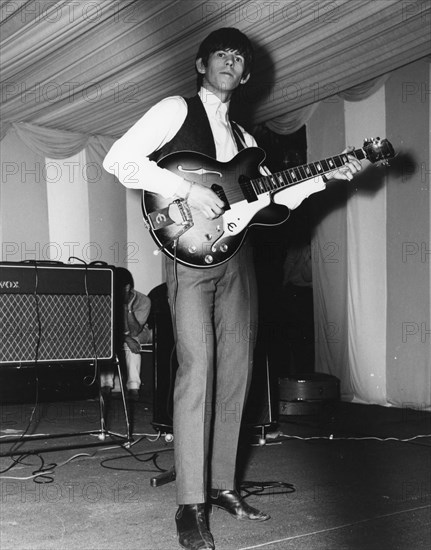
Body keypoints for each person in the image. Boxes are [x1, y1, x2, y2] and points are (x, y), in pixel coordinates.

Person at [102, 27, 361, 550]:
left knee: (238, 372)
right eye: (222, 52)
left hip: (238, 259)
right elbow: (119, 160)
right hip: (189, 255)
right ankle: (190, 505)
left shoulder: (247, 142)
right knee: (197, 369)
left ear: (246, 75)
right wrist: (187, 190)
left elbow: (274, 202)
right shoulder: (175, 109)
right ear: (202, 64)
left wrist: (329, 176)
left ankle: (222, 486)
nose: (231, 61)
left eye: (240, 58)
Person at [100, 267, 152, 401]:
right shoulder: (107, 297)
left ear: (127, 288)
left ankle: (133, 388)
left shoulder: (144, 301)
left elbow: (135, 330)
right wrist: (125, 338)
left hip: (141, 331)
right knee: (106, 341)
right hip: (117, 333)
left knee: (133, 341)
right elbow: (106, 327)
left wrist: (127, 308)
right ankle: (105, 386)